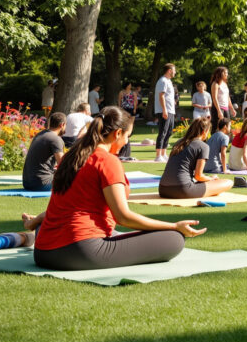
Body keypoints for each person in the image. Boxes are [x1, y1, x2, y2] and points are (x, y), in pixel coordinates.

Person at [24, 106, 204, 271]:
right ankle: (39, 222)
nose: (126, 142)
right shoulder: (107, 161)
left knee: (116, 232)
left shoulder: (71, 157)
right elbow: (123, 217)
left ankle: (38, 223)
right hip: (79, 251)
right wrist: (174, 226)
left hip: (44, 253)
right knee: (174, 239)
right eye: (127, 137)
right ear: (117, 133)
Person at [158, 118, 233, 199]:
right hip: (182, 189)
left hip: (163, 189)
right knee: (228, 182)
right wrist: (211, 179)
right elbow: (198, 176)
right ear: (204, 132)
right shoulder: (203, 146)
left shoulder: (179, 142)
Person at [22, 113, 67, 191]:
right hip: (42, 183)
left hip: (27, 183)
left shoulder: (39, 135)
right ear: (62, 125)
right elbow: (63, 164)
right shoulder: (56, 139)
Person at [153, 63, 177, 163]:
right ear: (169, 71)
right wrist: (164, 110)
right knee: (163, 132)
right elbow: (161, 96)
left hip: (171, 110)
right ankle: (158, 156)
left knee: (169, 132)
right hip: (165, 110)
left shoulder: (169, 81)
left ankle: (163, 153)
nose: (175, 72)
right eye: (174, 70)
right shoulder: (162, 81)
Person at [209, 66, 233, 135]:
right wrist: (219, 111)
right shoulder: (215, 84)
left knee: (227, 126)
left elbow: (227, 97)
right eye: (225, 73)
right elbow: (214, 98)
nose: (227, 74)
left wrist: (232, 108)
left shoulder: (225, 84)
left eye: (227, 73)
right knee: (216, 126)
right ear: (220, 73)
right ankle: (213, 143)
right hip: (218, 108)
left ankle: (226, 143)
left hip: (226, 108)